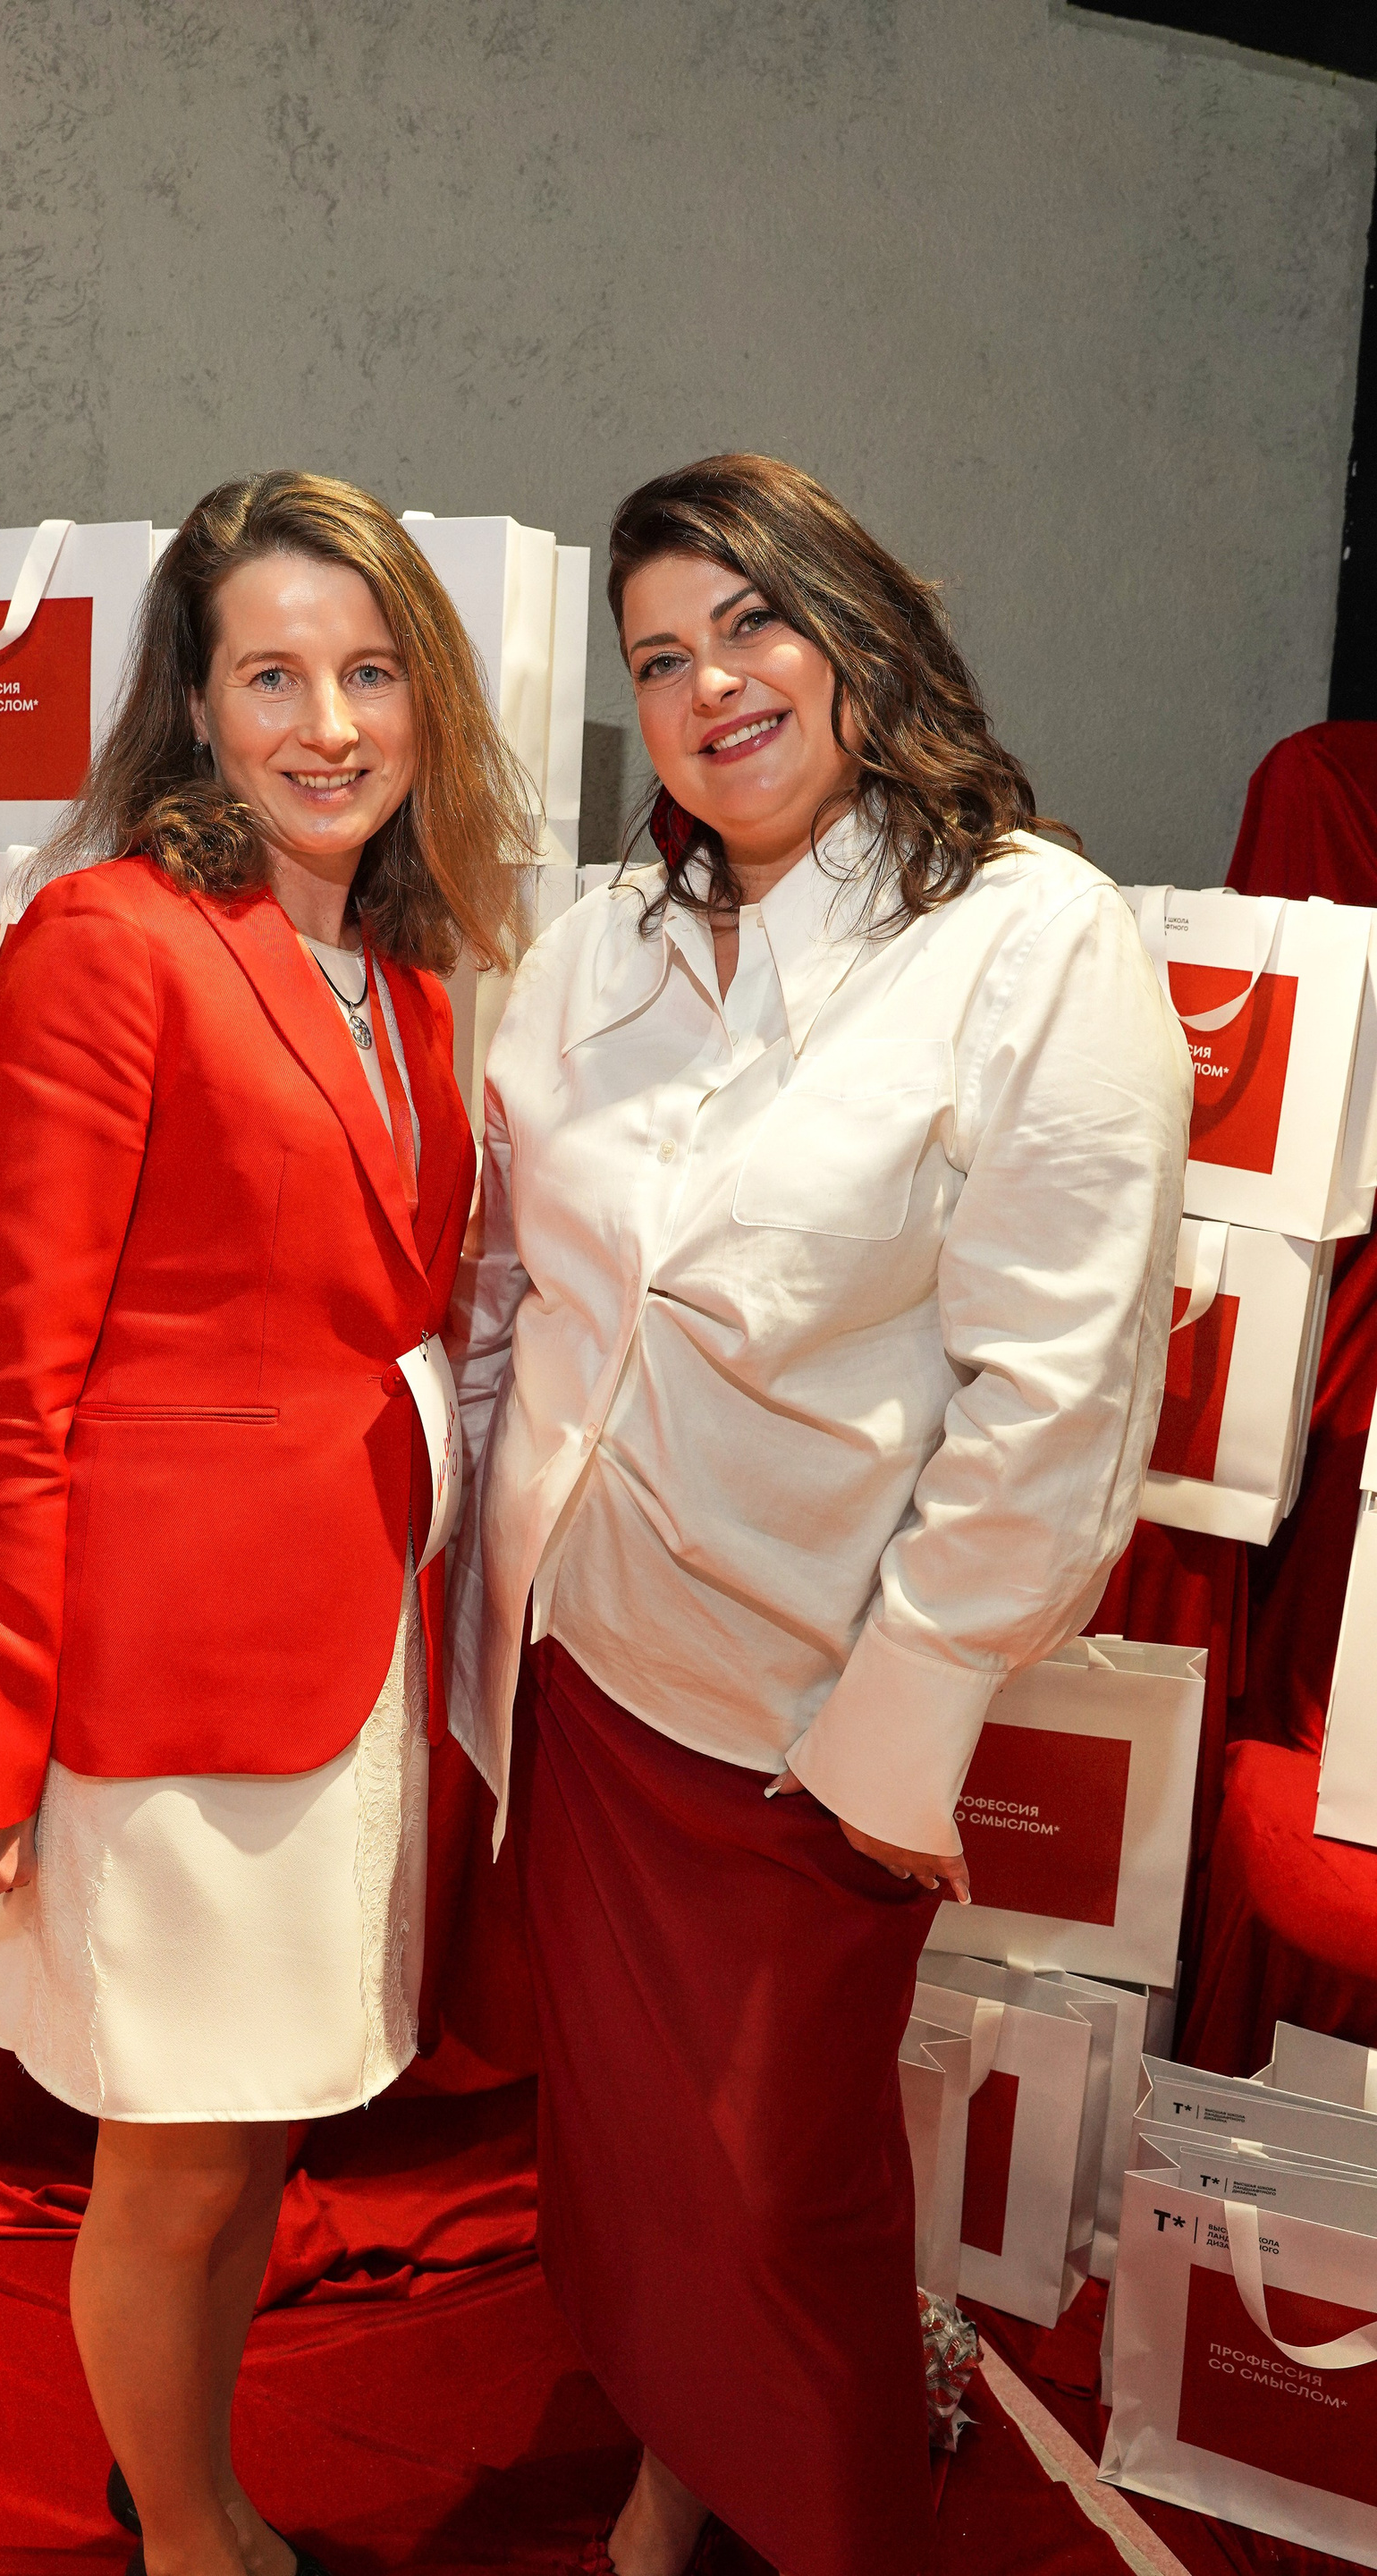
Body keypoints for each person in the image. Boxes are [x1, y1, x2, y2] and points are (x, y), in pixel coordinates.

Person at [446, 453, 1191, 2576]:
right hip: (582, 1668)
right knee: (634, 2159)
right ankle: (671, 2488)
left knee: (781, 2193)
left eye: (753, 621)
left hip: (801, 1715)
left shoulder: (1031, 938)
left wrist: (908, 1716)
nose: (711, 684)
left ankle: (825, 2517)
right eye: (661, 656)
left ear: (861, 629)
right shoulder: (600, 945)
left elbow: (1060, 1392)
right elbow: (510, 1285)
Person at [0, 471, 530, 2576]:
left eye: (369, 674)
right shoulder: (112, 940)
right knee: (172, 2157)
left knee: (262, 2127)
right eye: (272, 676)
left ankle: (201, 2492)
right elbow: (6, 1383)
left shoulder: (407, 976)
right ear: (194, 701)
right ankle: (183, 2538)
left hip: (348, 1654)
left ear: (426, 700)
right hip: (162, 1688)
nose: (327, 725)